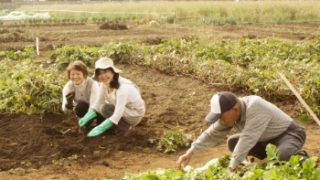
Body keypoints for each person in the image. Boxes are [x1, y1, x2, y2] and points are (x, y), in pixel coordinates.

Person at [177, 91, 308, 171]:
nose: (220, 120)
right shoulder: (231, 114)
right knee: (233, 143)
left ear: (235, 110)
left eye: (221, 116)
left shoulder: (255, 106)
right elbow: (212, 132)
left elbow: (248, 139)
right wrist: (190, 152)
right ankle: (269, 158)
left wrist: (232, 167)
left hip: (288, 134)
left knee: (283, 155)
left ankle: (304, 159)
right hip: (265, 139)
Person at [79, 57, 146, 137]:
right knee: (102, 107)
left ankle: (127, 129)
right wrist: (86, 118)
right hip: (124, 111)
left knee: (106, 109)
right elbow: (98, 103)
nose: (103, 76)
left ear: (113, 72)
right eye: (99, 73)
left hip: (134, 114)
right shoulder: (105, 84)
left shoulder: (123, 88)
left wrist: (100, 128)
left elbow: (117, 113)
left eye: (105, 72)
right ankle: (112, 127)